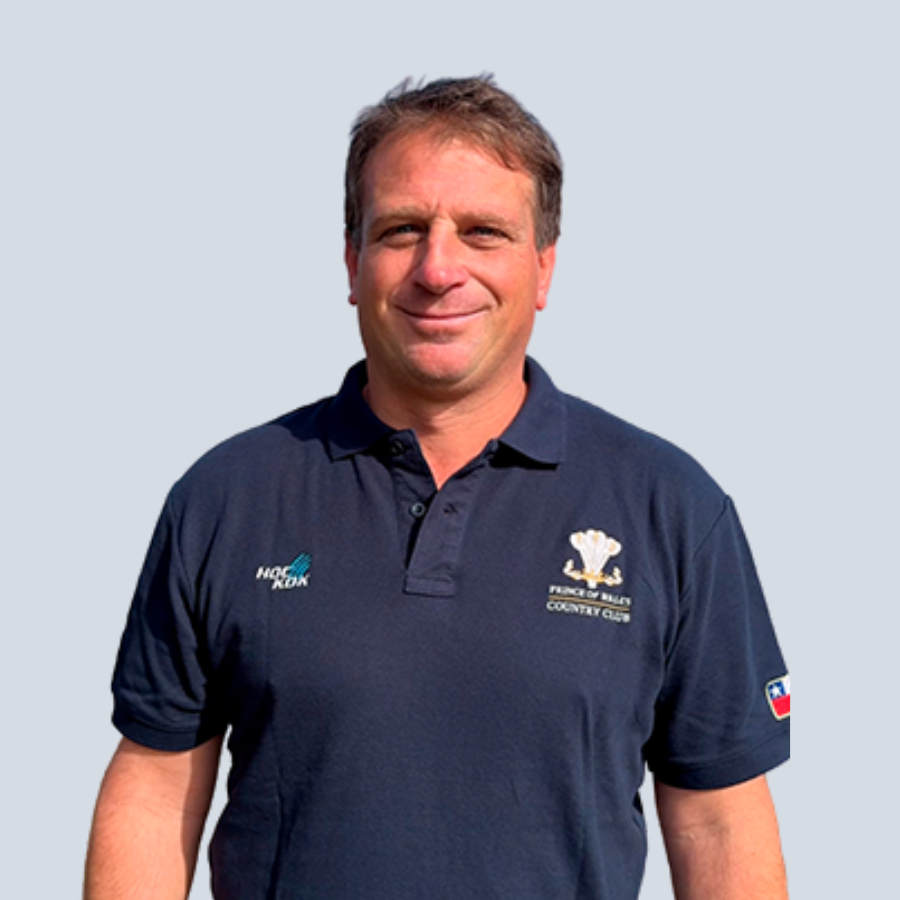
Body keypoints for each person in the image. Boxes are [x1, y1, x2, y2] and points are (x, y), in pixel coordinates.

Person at [84, 76, 790, 900]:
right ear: (352, 262)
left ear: (543, 267)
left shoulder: (672, 509)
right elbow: (154, 788)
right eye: (402, 230)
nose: (438, 268)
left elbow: (719, 818)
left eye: (483, 232)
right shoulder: (226, 498)